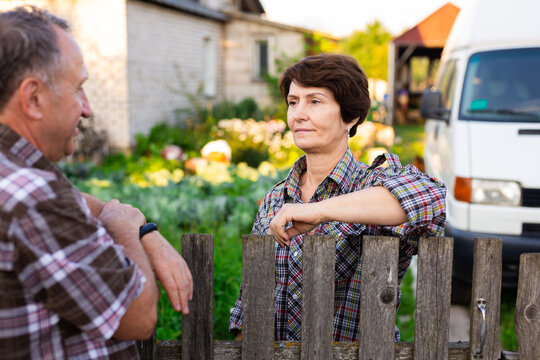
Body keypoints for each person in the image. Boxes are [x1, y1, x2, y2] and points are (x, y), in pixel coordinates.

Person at [0, 6, 192, 358]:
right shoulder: (34, 198)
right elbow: (137, 317)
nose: (87, 108)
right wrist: (126, 227)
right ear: (33, 98)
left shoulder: (15, 174)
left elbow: (71, 197)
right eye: (78, 88)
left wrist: (145, 231)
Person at [229, 54, 446, 342]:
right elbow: (251, 307)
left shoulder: (372, 183)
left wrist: (319, 211)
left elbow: (433, 199)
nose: (299, 114)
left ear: (351, 116)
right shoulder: (274, 200)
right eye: (293, 102)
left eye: (315, 101)